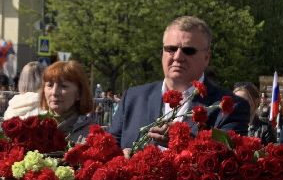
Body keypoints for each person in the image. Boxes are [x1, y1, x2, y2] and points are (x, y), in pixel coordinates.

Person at [107, 15, 250, 150]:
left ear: (207, 57)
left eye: (188, 50)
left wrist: (184, 143)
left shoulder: (230, 108)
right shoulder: (133, 98)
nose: (178, 56)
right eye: (171, 49)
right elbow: (109, 152)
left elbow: (228, 163)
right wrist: (122, 156)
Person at [38, 59, 97, 145]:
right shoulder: (35, 127)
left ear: (79, 93)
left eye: (63, 86)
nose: (54, 92)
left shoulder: (91, 134)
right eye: (50, 85)